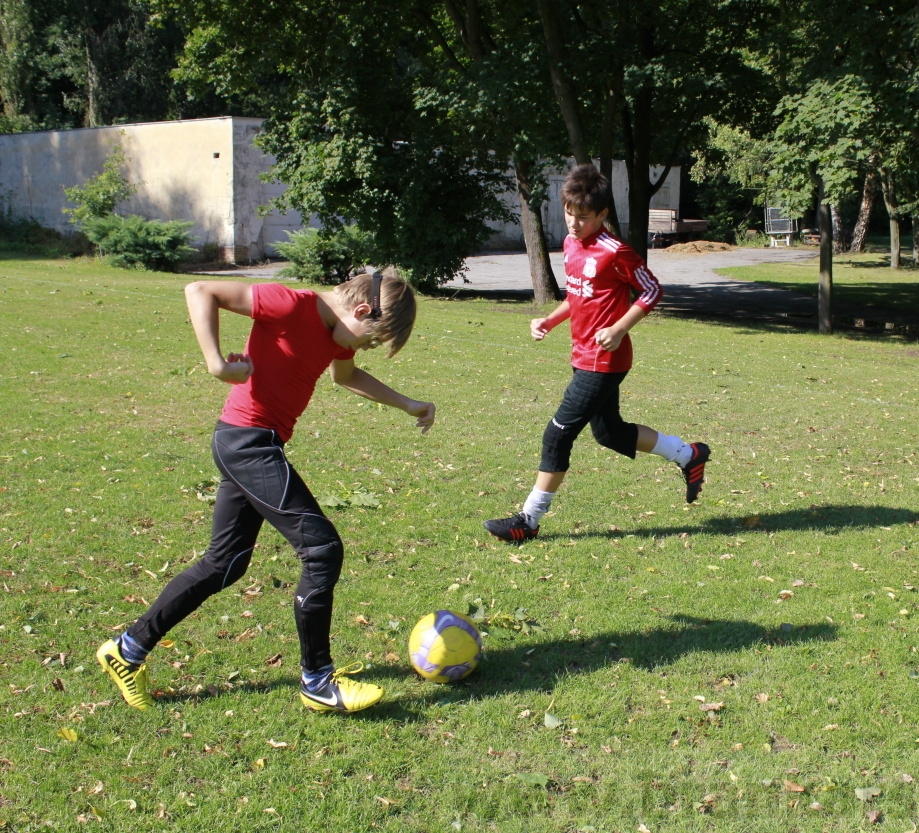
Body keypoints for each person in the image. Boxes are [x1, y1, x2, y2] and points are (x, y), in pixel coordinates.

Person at [96, 270, 435, 713]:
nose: (360, 348)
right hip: (247, 443)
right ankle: (317, 679)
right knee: (322, 549)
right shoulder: (289, 304)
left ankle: (128, 649)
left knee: (224, 563)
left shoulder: (336, 335)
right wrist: (216, 363)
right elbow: (201, 290)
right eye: (370, 339)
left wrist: (409, 403)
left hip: (255, 444)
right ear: (361, 310)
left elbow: (346, 376)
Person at [483, 164, 709, 542]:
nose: (573, 223)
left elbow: (652, 290)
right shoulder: (572, 244)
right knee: (610, 433)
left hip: (603, 361)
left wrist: (620, 328)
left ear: (603, 214)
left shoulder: (615, 251)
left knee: (557, 435)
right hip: (582, 355)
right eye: (569, 213)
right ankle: (688, 455)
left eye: (583, 217)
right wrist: (550, 320)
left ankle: (529, 520)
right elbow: (578, 294)